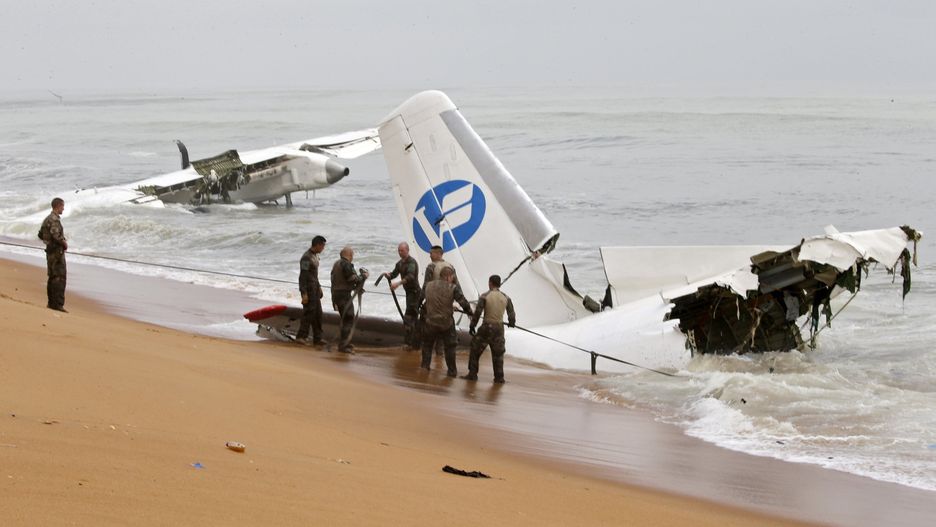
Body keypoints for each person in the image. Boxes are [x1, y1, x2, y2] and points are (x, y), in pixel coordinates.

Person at [463, 275, 516, 384]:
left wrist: (472, 325)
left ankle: (472, 374)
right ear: (499, 284)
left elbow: (478, 313)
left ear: (490, 283)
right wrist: (511, 323)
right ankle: (499, 378)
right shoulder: (506, 297)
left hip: (486, 327)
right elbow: (511, 313)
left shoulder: (485, 296)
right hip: (499, 329)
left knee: (475, 349)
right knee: (498, 354)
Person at [421, 267, 472, 377]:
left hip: (430, 322)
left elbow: (422, 300)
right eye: (452, 277)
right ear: (448, 277)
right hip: (446, 323)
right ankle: (452, 371)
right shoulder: (452, 288)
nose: (452, 279)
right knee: (450, 347)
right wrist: (470, 313)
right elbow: (463, 302)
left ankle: (425, 367)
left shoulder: (428, 285)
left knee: (427, 345)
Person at [382, 242, 420, 348]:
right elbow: (394, 274)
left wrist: (398, 284)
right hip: (408, 293)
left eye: (402, 250)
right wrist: (388, 275)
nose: (400, 252)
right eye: (399, 250)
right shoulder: (399, 264)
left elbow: (410, 277)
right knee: (411, 317)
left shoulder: (412, 262)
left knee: (409, 317)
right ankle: (413, 342)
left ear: (407, 250)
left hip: (415, 293)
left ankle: (411, 343)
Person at [331, 246, 368, 353]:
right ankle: (343, 345)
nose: (352, 257)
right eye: (352, 255)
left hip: (336, 295)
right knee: (348, 318)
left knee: (345, 319)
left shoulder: (336, 264)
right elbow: (352, 278)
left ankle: (345, 342)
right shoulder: (346, 264)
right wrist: (363, 276)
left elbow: (338, 281)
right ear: (350, 255)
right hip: (344, 296)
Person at [38, 197, 68, 312]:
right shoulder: (54, 219)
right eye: (62, 206)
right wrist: (64, 243)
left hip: (50, 252)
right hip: (57, 253)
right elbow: (56, 235)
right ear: (58, 206)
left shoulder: (47, 219)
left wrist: (48, 242)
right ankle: (58, 304)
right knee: (59, 277)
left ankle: (51, 303)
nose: (63, 209)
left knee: (52, 277)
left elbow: (40, 234)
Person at [295, 235, 327, 345]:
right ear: (317, 245)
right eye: (322, 246)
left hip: (315, 288)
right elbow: (302, 276)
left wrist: (319, 287)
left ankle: (317, 338)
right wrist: (303, 293)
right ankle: (301, 336)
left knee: (318, 313)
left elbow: (314, 275)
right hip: (309, 290)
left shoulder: (315, 256)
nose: (323, 248)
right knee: (309, 313)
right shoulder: (306, 258)